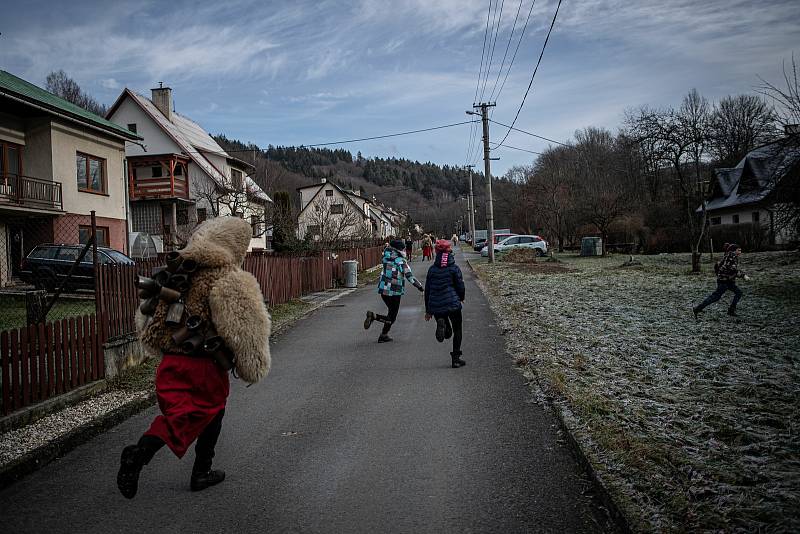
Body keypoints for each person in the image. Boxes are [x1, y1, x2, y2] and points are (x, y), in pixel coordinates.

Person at [117, 217, 272, 499]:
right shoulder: (228, 277)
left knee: (181, 414)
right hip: (205, 365)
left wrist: (157, 345)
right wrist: (253, 365)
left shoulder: (175, 272)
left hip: (171, 363)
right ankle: (144, 455)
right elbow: (244, 326)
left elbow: (148, 317)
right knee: (201, 413)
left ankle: (199, 470)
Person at [364, 238, 423, 342]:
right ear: (400, 250)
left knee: (391, 313)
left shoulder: (386, 259)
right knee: (392, 316)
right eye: (403, 249)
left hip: (383, 289)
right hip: (395, 290)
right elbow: (409, 276)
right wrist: (419, 286)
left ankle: (384, 335)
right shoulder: (400, 261)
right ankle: (374, 317)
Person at [425, 239, 466, 368]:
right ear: (449, 251)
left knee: (447, 331)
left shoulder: (432, 269)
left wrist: (428, 310)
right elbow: (460, 285)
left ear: (436, 252)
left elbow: (428, 290)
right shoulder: (454, 268)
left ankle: (442, 324)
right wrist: (461, 297)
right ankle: (455, 359)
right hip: (452, 302)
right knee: (457, 330)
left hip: (436, 305)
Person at [693, 243, 749, 319]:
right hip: (724, 281)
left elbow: (726, 268)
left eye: (740, 250)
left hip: (728, 280)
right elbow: (730, 269)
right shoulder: (731, 256)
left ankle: (731, 310)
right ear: (734, 251)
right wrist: (743, 275)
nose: (740, 252)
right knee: (716, 297)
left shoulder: (731, 256)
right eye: (738, 250)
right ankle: (697, 309)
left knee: (738, 293)